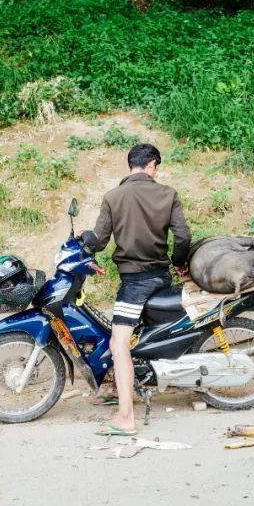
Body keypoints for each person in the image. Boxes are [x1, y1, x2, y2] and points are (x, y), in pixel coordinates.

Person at [82, 143, 191, 436]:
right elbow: (183, 236)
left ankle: (126, 418)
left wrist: (85, 243)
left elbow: (99, 240)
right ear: (152, 165)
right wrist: (179, 263)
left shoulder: (113, 197)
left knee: (119, 344)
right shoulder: (168, 194)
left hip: (134, 284)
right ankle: (121, 390)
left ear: (131, 165)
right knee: (131, 339)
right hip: (160, 278)